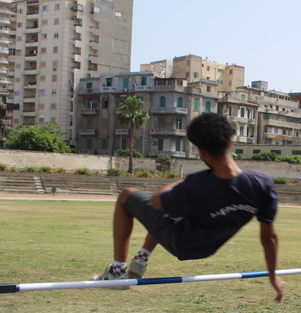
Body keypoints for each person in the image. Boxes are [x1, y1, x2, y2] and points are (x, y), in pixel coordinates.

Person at [93, 112, 285, 302]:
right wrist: (272, 275)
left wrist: (184, 181)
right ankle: (141, 258)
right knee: (168, 212)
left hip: (181, 243)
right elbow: (269, 238)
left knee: (126, 195)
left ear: (201, 152)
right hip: (208, 248)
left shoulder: (195, 185)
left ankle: (117, 271)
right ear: (230, 143)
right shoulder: (262, 184)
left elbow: (156, 199)